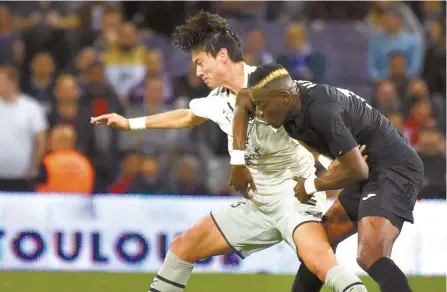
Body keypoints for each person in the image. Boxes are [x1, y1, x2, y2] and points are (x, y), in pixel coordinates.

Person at [91, 11, 366, 292]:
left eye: (200, 62)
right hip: (257, 203)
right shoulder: (217, 99)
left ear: (222, 55)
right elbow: (187, 115)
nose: (198, 71)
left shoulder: (269, 85)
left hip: (294, 198)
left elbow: (308, 125)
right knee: (182, 247)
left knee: (320, 262)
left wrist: (332, 160)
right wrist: (130, 123)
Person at [232, 63, 423, 292]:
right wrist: (237, 162)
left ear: (284, 97)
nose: (259, 113)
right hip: (364, 166)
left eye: (262, 106)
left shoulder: (323, 112)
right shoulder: (284, 99)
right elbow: (244, 100)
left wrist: (311, 186)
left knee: (370, 254)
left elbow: (358, 170)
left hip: (393, 167)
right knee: (320, 243)